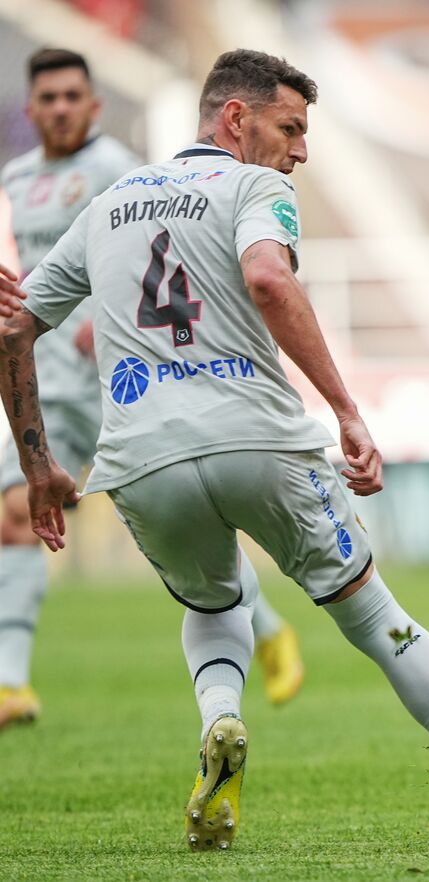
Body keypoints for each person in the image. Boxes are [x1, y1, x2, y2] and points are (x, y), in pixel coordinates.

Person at [0, 49, 429, 848]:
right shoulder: (254, 187)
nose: (301, 150)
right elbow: (270, 279)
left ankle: (222, 717)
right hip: (258, 441)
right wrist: (347, 410)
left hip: (141, 460)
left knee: (213, 605)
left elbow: (14, 328)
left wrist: (36, 465)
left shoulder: (107, 204)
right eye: (291, 128)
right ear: (236, 118)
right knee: (376, 617)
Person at [0, 48, 304, 732]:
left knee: (185, 518)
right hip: (52, 375)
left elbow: (153, 254)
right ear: (31, 109)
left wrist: (104, 320)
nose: (60, 108)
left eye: (72, 96)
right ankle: (11, 682)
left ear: (93, 105)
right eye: (48, 98)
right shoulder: (16, 177)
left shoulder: (118, 169)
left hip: (128, 374)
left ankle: (267, 627)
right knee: (15, 514)